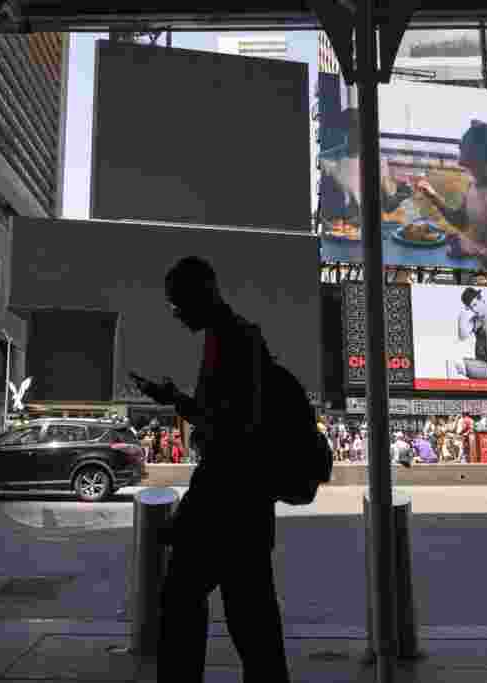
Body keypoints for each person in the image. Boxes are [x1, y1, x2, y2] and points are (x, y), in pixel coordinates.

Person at [134, 256, 289, 683]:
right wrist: (176, 399)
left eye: (176, 303)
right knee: (253, 621)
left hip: (228, 498)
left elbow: (231, 428)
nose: (176, 313)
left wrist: (193, 512)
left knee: (184, 600)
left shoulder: (232, 340)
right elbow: (220, 416)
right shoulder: (233, 336)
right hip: (245, 503)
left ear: (201, 291)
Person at [416, 119, 487, 271]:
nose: (459, 145)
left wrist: (471, 249)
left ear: (477, 151)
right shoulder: (474, 183)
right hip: (474, 270)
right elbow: (460, 221)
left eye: (464, 142)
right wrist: (432, 196)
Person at [454, 288, 487, 382]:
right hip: (482, 365)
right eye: (471, 307)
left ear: (481, 300)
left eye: (475, 305)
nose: (475, 309)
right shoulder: (476, 321)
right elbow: (462, 337)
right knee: (454, 363)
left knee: (458, 364)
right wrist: (462, 317)